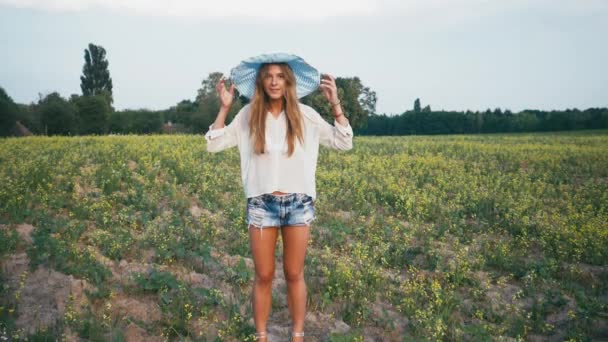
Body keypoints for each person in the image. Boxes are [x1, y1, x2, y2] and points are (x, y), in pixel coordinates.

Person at [204, 53, 353, 341]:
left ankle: (297, 336)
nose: (274, 81)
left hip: (298, 204)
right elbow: (214, 144)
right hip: (261, 205)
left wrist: (335, 104)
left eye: (280, 76)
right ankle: (262, 336)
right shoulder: (248, 115)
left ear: (288, 81)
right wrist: (224, 108)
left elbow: (343, 141)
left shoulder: (306, 115)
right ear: (261, 81)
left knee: (295, 274)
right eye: (269, 76)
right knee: (263, 276)